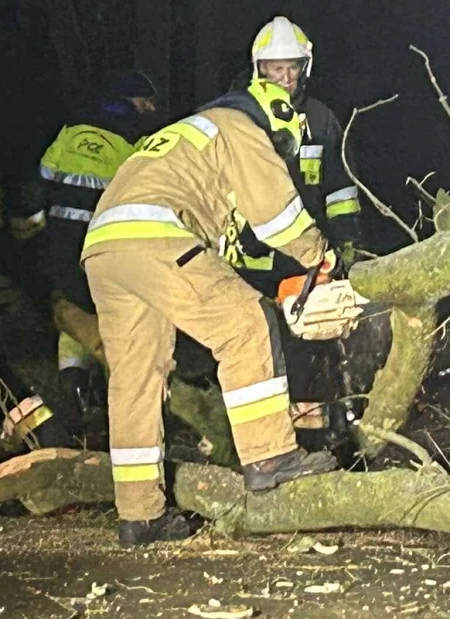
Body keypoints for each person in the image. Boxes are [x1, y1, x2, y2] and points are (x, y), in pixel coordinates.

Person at [81, 77, 340, 546]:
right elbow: (276, 214)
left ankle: (140, 514)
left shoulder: (186, 132)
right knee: (246, 322)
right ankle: (269, 457)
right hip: (152, 235)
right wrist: (321, 255)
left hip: (103, 247)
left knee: (135, 378)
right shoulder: (241, 125)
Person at [2, 72, 159, 446]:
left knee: (72, 308)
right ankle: (117, 403)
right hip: (107, 241)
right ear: (133, 102)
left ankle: (72, 389)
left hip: (60, 238)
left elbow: (41, 178)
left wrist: (34, 222)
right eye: (147, 102)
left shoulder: (71, 131)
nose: (151, 109)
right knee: (114, 315)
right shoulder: (136, 138)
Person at [224, 16, 363, 293]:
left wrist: (347, 239)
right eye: (276, 68)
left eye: (293, 67)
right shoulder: (240, 115)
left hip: (304, 259)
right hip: (245, 261)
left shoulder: (319, 118)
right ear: (260, 68)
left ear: (305, 67)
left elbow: (340, 190)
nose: (286, 78)